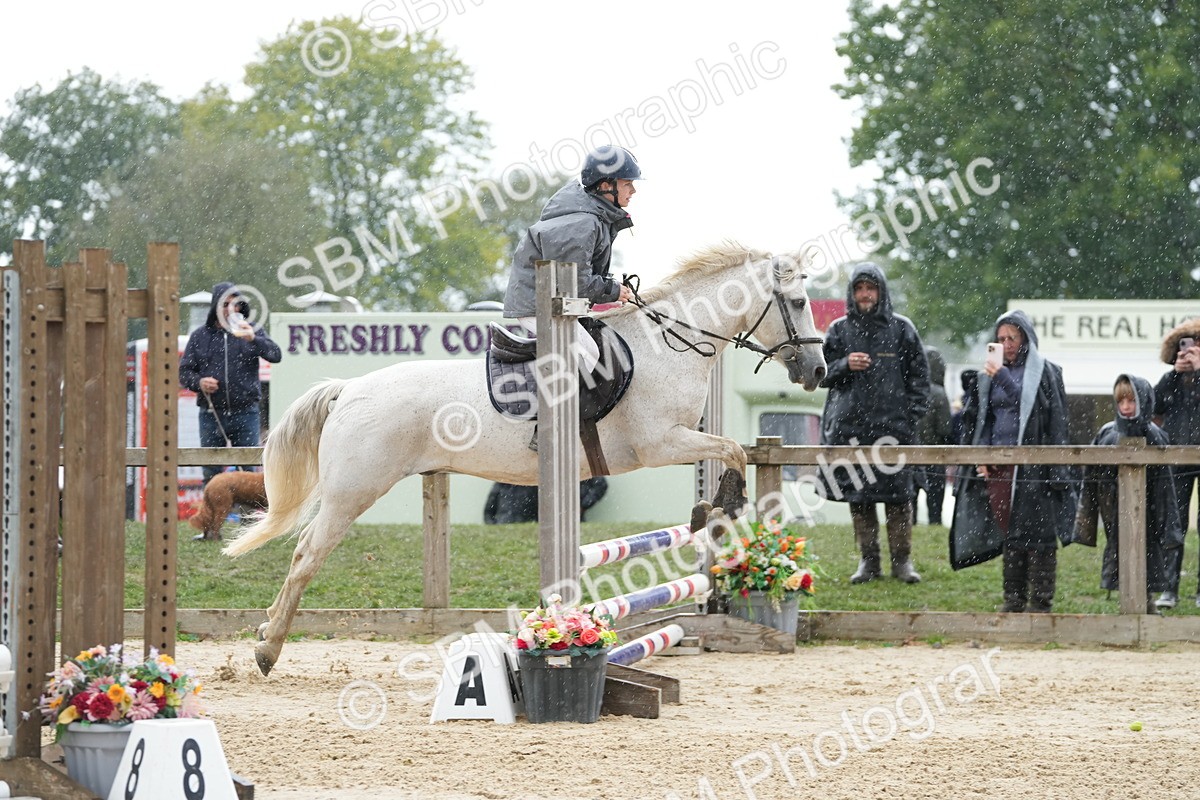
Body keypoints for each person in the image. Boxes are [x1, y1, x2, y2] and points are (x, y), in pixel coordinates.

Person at [951, 310, 1075, 612]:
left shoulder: (1046, 371)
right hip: (999, 467)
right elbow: (982, 419)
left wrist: (1005, 379)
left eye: (1012, 338)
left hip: (1036, 466)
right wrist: (982, 454)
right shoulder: (987, 376)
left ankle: (1041, 603)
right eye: (1001, 338)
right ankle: (1014, 600)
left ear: (1025, 340)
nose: (1005, 344)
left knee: (1041, 536)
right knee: (1012, 534)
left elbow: (1043, 413)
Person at [817, 263, 930, 584]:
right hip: (850, 432)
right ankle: (869, 563)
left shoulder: (902, 328)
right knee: (860, 499)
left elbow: (920, 378)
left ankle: (902, 563)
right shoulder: (839, 330)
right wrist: (843, 364)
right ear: (852, 294)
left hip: (894, 433)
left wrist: (910, 417)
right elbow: (820, 375)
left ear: (881, 291)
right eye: (859, 289)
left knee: (899, 499)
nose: (865, 294)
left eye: (871, 288)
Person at [502, 145, 640, 373]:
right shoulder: (582, 223)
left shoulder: (594, 217)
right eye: (627, 183)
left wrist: (612, 287)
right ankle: (553, 408)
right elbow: (576, 282)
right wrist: (613, 289)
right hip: (539, 305)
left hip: (556, 303)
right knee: (590, 353)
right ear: (606, 186)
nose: (633, 190)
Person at [1074, 375, 1182, 612]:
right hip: (1114, 507)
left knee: (1147, 553)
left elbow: (1165, 485)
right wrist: (1089, 514)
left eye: (1131, 401)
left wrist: (1167, 523)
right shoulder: (1107, 433)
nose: (1125, 407)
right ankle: (1129, 602)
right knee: (1120, 551)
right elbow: (1091, 477)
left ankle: (1146, 602)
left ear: (1143, 401)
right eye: (1121, 401)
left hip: (1149, 509)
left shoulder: (1154, 434)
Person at [179, 283, 282, 487]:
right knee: (211, 471)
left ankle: (247, 519)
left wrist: (254, 339)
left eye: (235, 304)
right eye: (225, 304)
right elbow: (184, 373)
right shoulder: (200, 336)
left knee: (248, 473)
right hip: (211, 413)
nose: (231, 309)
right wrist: (200, 382)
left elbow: (275, 354)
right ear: (215, 307)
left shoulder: (251, 330)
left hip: (246, 412)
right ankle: (212, 519)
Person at [1152, 321, 1200, 609]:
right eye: (1184, 343)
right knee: (1174, 524)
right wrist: (1174, 373)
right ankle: (1169, 588)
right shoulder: (1169, 380)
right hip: (1177, 458)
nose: (1189, 348)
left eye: (1195, 341)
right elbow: (1153, 408)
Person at [913, 345, 952, 526]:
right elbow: (945, 429)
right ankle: (934, 526)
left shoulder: (911, 390)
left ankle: (909, 525)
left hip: (911, 454)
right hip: (934, 455)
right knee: (935, 506)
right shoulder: (939, 394)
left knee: (909, 502)